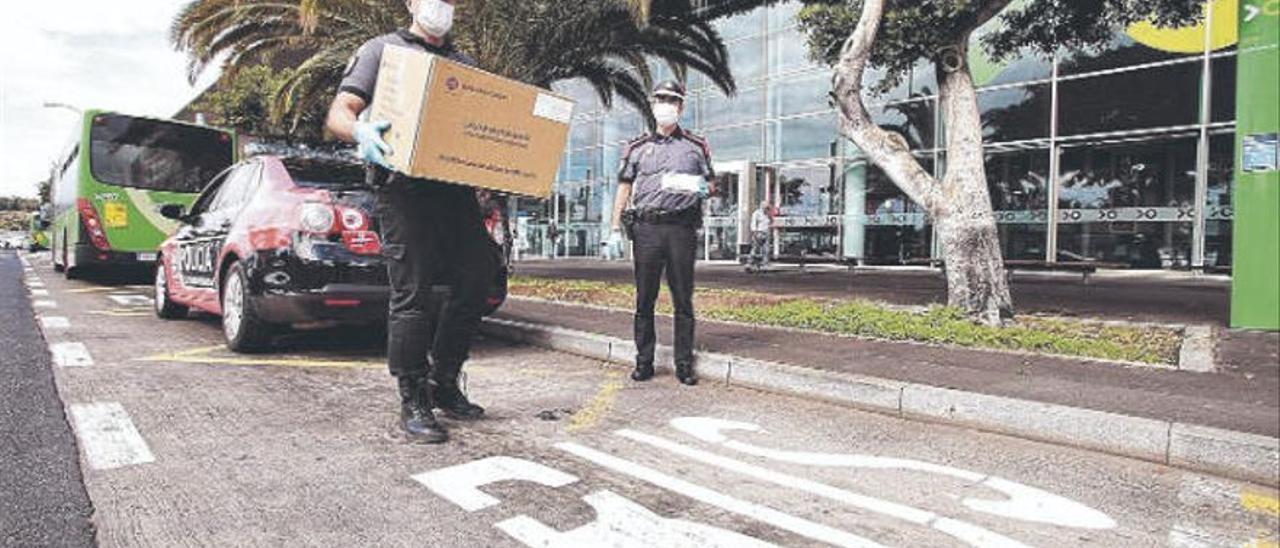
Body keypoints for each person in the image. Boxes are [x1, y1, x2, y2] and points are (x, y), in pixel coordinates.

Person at [325, 0, 495, 444]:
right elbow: (340, 111)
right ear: (411, 4)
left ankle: (444, 379)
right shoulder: (382, 50)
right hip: (403, 191)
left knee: (478, 280)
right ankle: (413, 395)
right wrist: (359, 131)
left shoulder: (464, 64)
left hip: (455, 192)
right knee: (413, 294)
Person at [603, 81, 713, 386]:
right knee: (644, 299)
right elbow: (624, 186)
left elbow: (711, 183)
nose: (666, 104)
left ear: (681, 107)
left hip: (681, 229)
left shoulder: (696, 145)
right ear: (653, 104)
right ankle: (644, 361)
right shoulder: (636, 147)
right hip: (647, 229)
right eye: (661, 99)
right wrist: (613, 228)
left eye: (672, 100)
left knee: (683, 300)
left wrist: (703, 188)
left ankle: (683, 364)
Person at [749, 200, 772, 269]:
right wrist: (755, 232)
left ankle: (765, 264)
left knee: (766, 250)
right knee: (755, 249)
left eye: (768, 208)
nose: (767, 209)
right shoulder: (757, 213)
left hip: (766, 232)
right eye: (766, 207)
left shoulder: (768, 214)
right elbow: (753, 223)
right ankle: (751, 263)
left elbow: (770, 222)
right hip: (759, 232)